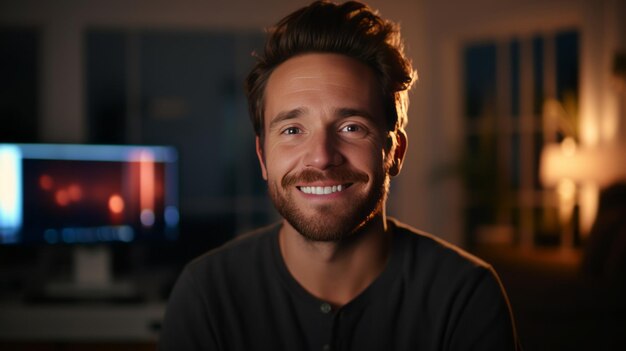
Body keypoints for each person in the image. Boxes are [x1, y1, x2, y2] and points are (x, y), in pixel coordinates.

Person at [158, 1, 520, 350]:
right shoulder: (206, 294)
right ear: (262, 157)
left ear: (395, 152)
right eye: (292, 130)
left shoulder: (465, 295)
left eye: (351, 127)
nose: (322, 156)